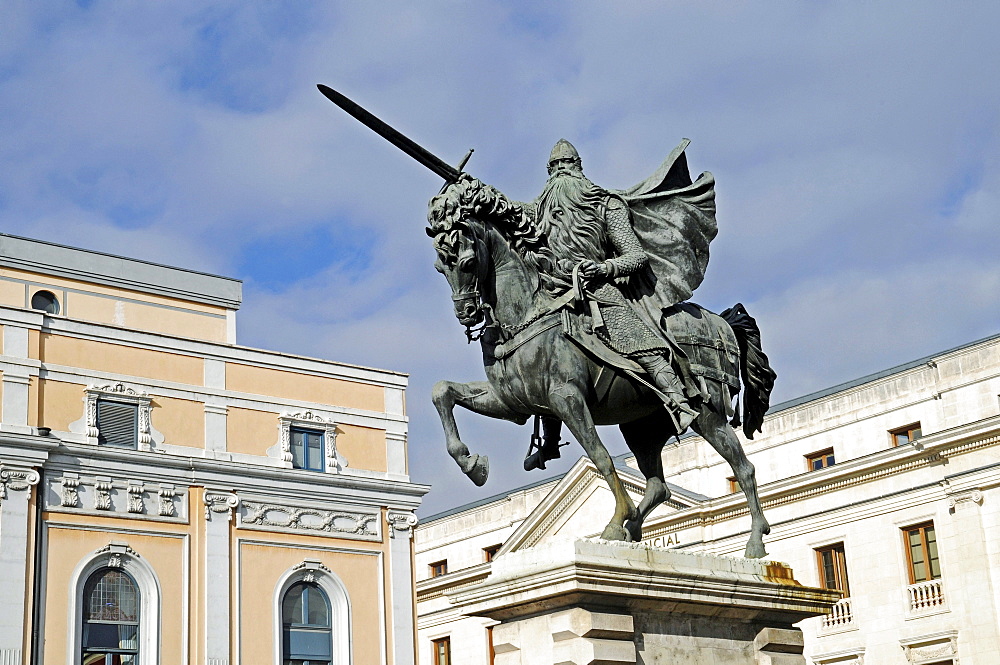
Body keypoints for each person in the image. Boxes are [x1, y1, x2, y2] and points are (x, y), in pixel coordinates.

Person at [521, 139, 702, 469]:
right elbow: (503, 211)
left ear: (579, 167)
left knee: (634, 337)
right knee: (537, 353)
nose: (561, 173)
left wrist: (604, 267)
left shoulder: (607, 205)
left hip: (600, 289)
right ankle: (550, 442)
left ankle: (678, 399)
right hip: (553, 292)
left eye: (567, 165)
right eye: (555, 168)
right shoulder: (538, 211)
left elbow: (636, 257)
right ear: (548, 174)